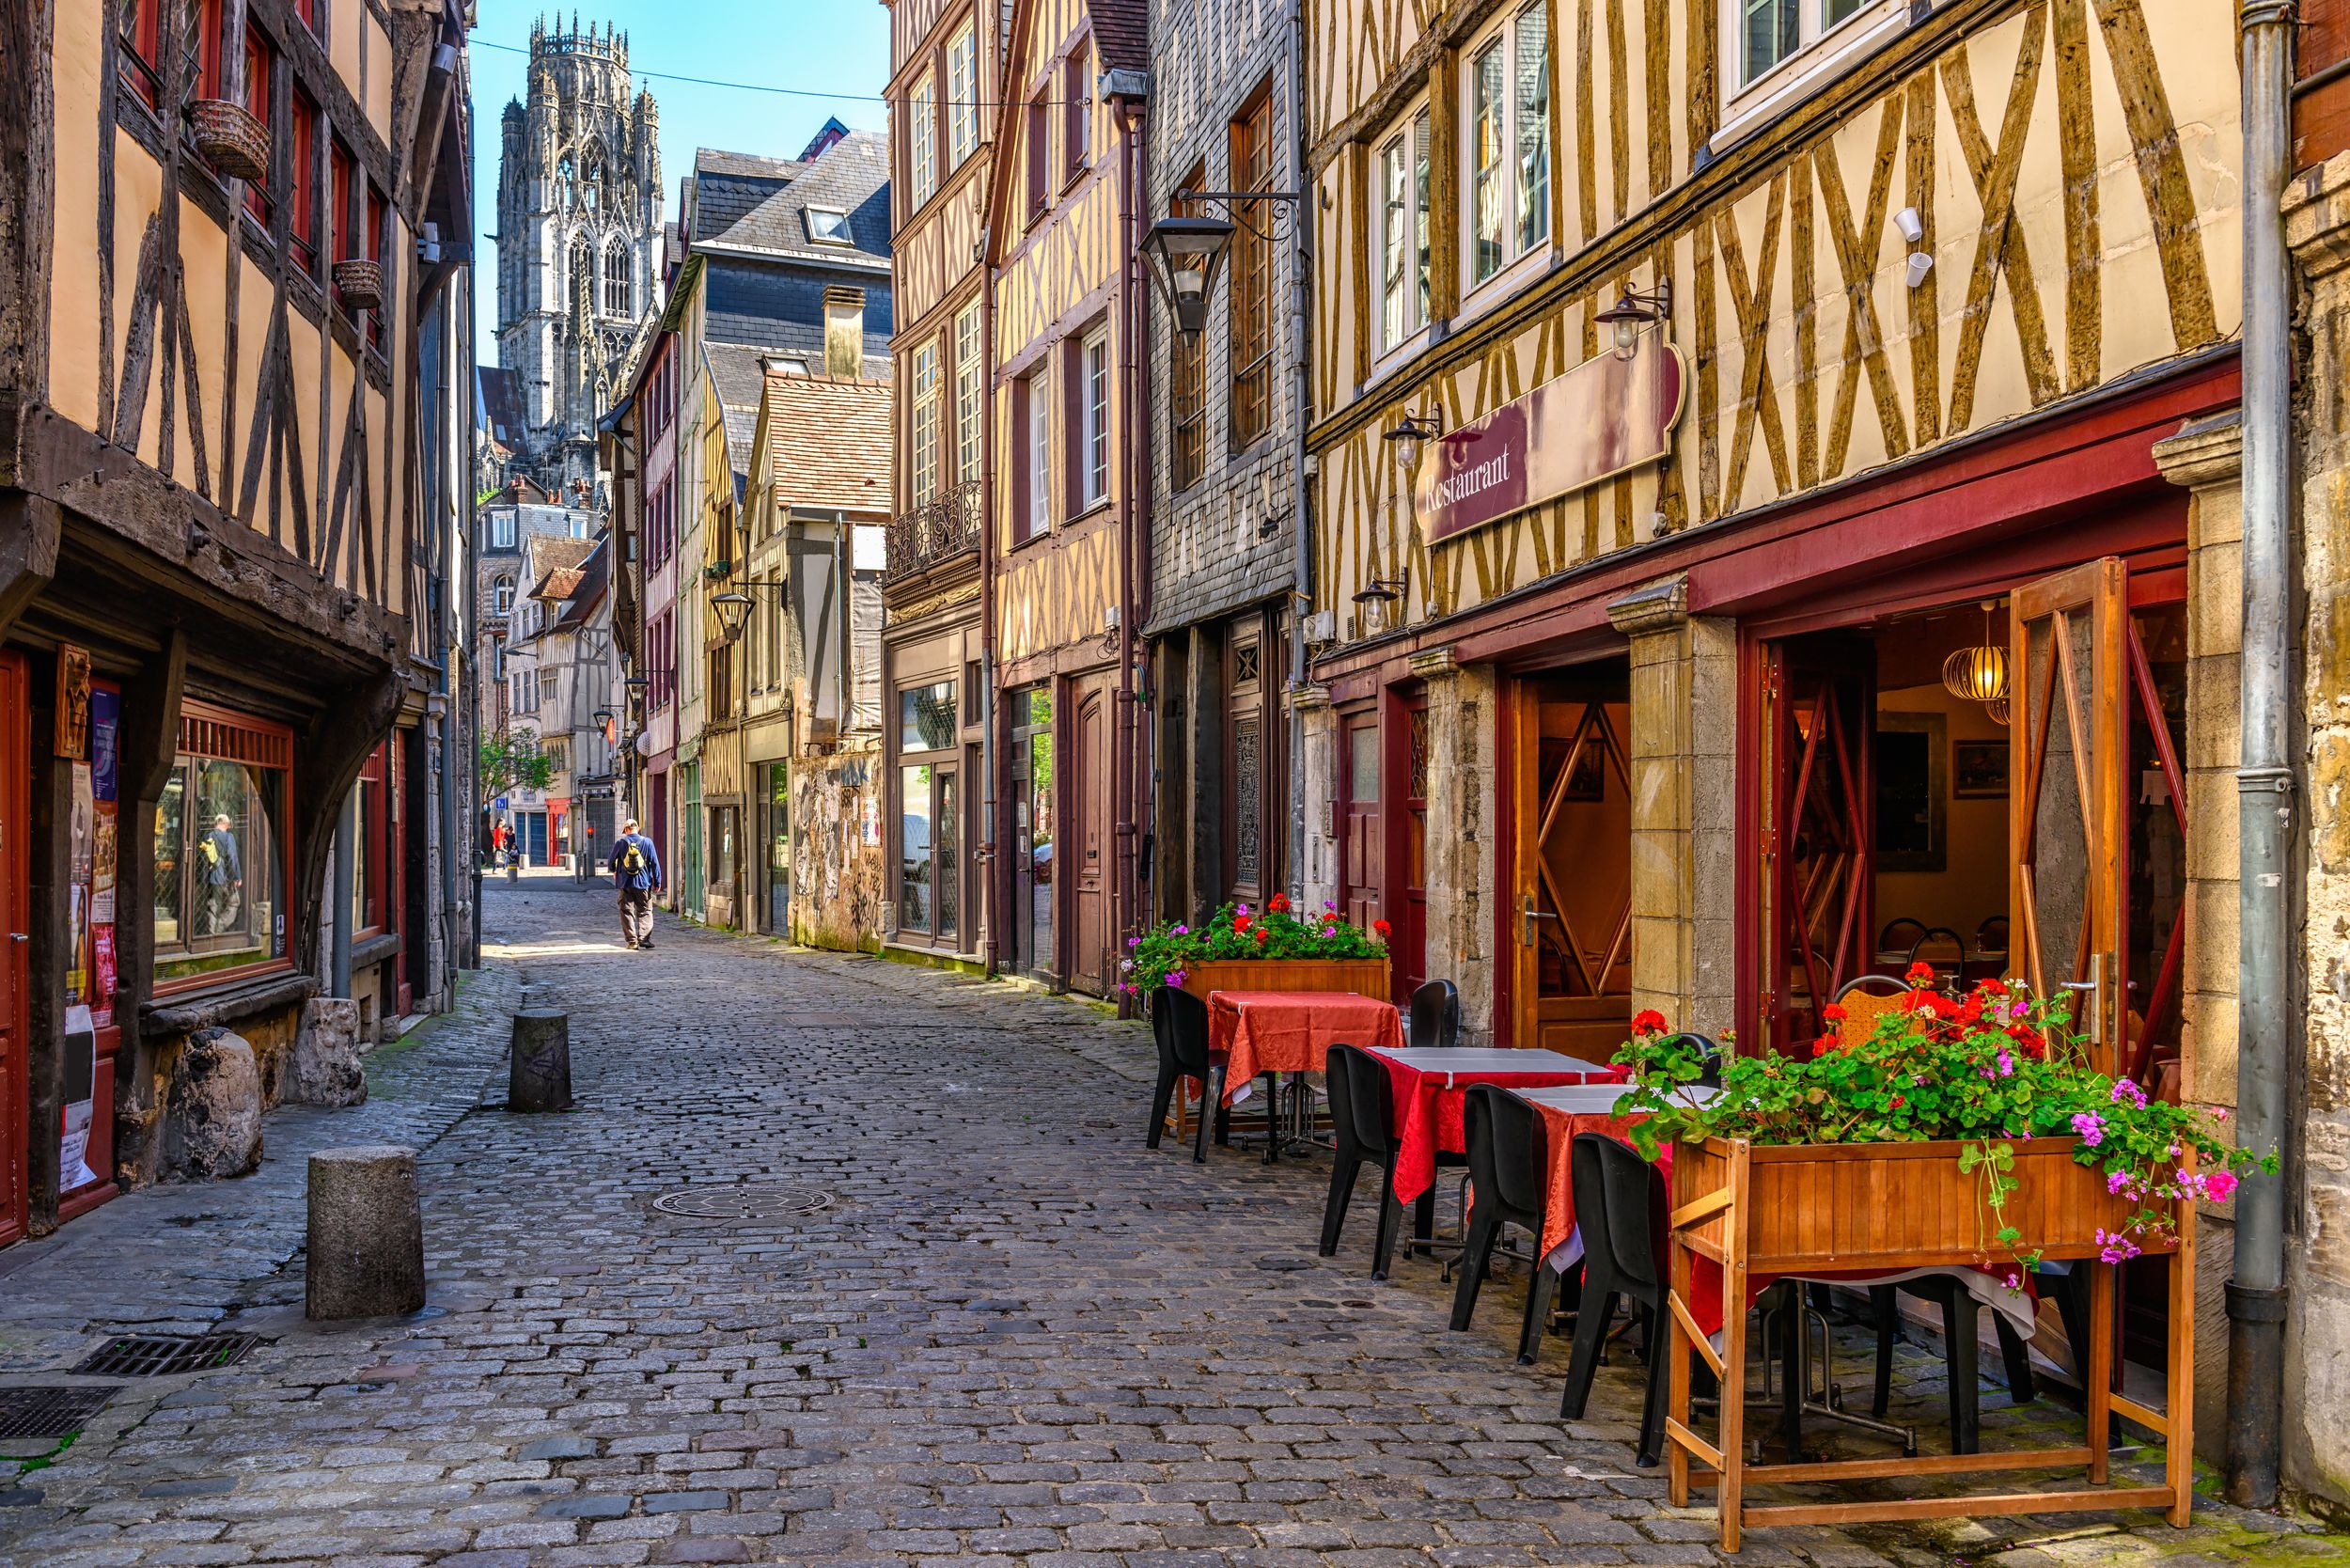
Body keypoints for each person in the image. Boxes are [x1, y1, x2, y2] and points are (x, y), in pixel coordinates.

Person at [611, 817, 662, 949]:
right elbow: (655, 863)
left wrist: (614, 871)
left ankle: (632, 941)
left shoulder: (621, 843)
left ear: (626, 830)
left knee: (627, 911)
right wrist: (657, 881)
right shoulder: (647, 842)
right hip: (644, 882)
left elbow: (611, 861)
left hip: (625, 883)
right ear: (637, 829)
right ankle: (644, 939)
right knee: (645, 911)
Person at [197, 813, 242, 935]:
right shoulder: (229, 837)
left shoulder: (208, 836)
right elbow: (232, 857)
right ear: (223, 823)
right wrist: (236, 877)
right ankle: (220, 927)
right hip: (225, 876)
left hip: (211, 877)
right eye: (227, 824)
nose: (228, 826)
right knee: (234, 903)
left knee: (213, 905)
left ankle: (211, 933)